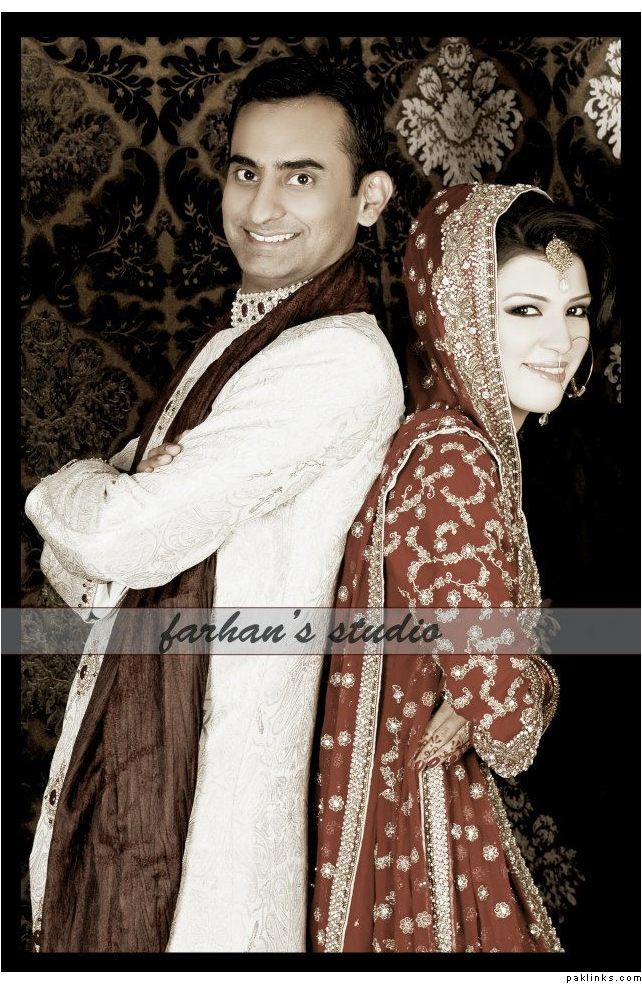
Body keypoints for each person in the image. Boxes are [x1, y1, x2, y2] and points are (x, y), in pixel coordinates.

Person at [25, 56, 403, 953]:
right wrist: (111, 508)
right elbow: (82, 582)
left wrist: (65, 482)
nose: (261, 206)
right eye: (245, 171)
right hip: (161, 759)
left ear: (370, 198)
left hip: (220, 805)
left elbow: (113, 540)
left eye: (301, 177)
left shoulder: (334, 361)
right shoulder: (243, 343)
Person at [311, 182, 614, 953]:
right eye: (525, 310)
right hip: (420, 823)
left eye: (575, 310)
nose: (560, 340)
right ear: (458, 315)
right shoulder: (456, 462)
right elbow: (507, 717)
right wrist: (522, 684)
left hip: (393, 803)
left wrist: (486, 688)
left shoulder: (437, 438)